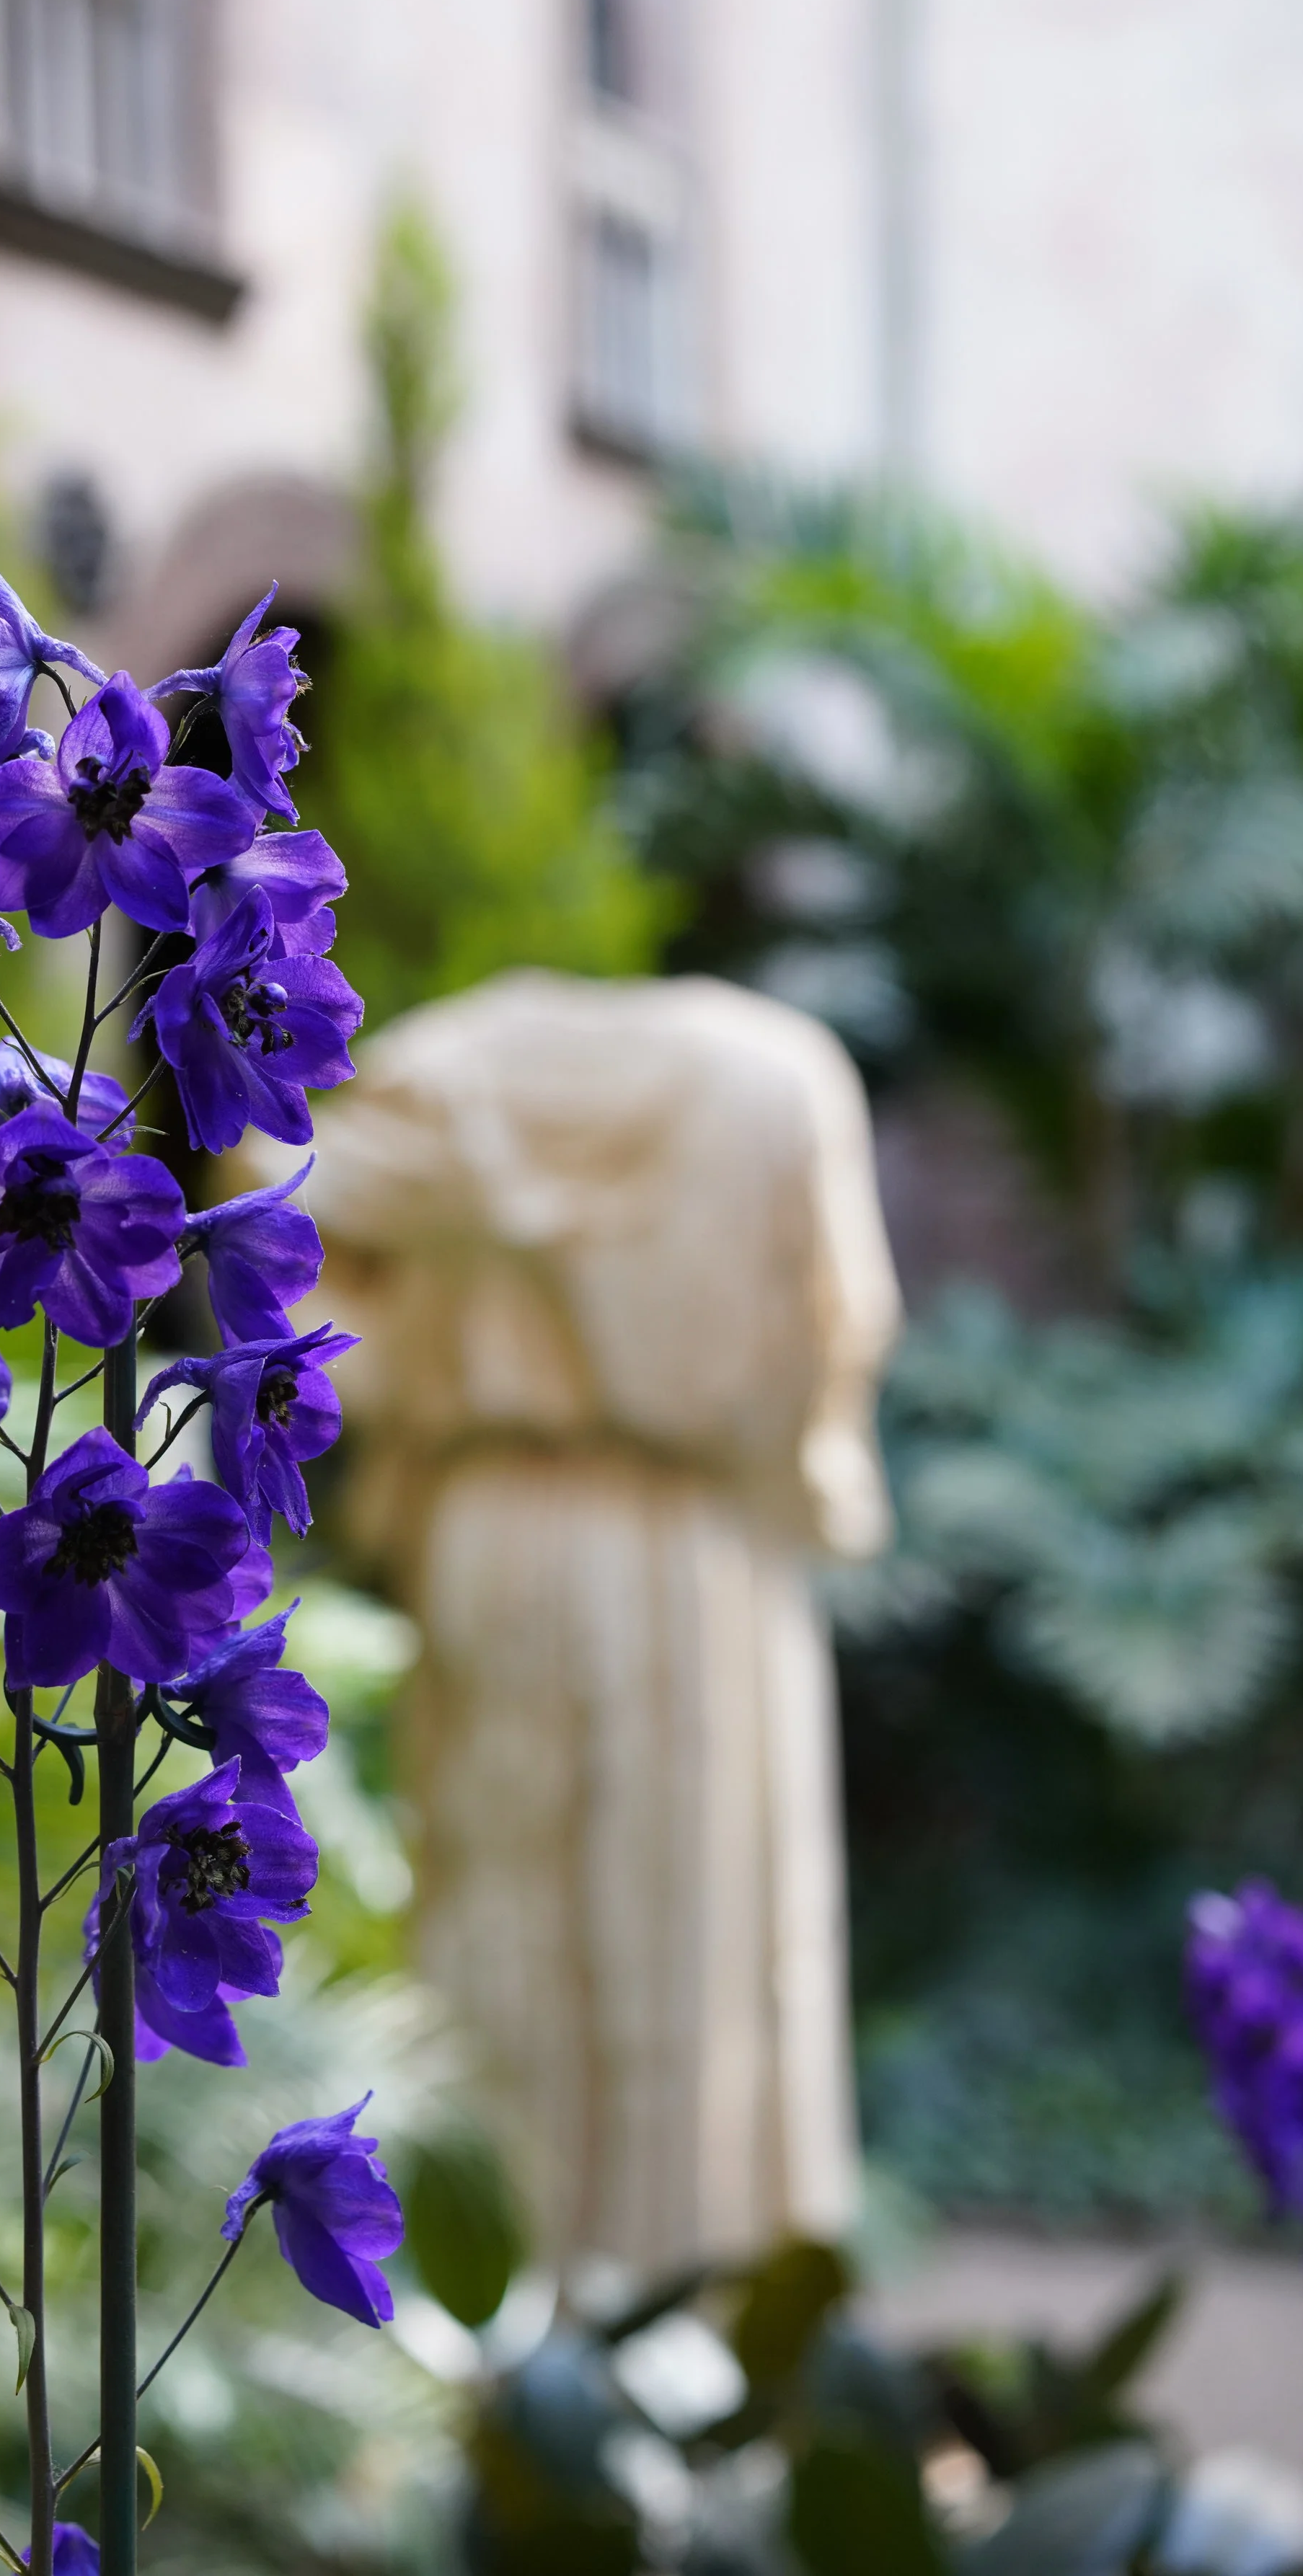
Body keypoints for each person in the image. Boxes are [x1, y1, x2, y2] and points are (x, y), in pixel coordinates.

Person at [282, 968, 900, 2271]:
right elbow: (838, 1331)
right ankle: (695, 2305)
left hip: (492, 1525)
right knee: (706, 1939)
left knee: (489, 1917)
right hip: (703, 1545)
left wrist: (414, 1350)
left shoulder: (455, 1059)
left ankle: (481, 2303)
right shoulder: (780, 1077)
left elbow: (280, 1204)